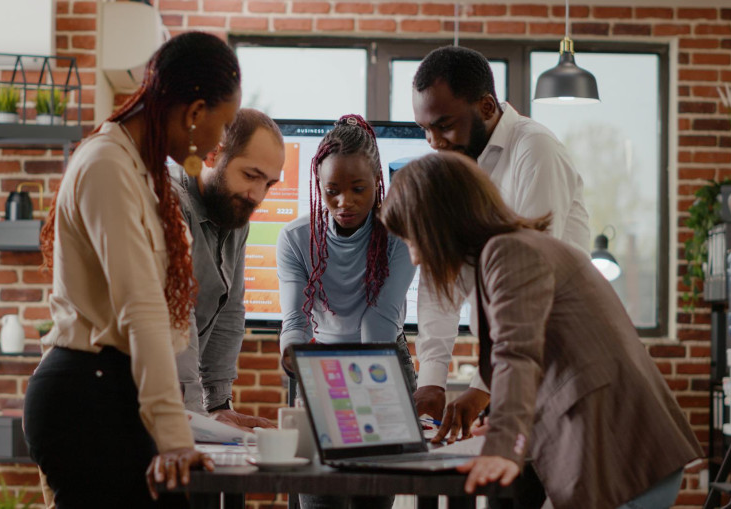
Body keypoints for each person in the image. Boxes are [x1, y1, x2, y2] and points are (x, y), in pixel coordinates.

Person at [380, 152, 703, 509]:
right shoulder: (519, 245)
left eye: (412, 240)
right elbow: (558, 360)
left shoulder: (507, 253)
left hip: (621, 455)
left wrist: (505, 442)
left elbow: (516, 355)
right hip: (624, 452)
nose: (414, 257)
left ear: (439, 223)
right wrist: (515, 429)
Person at [25, 31, 241, 508]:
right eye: (224, 125)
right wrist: (175, 439)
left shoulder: (140, 169)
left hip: (110, 393)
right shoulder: (108, 166)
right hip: (87, 398)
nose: (221, 140)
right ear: (194, 113)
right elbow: (142, 311)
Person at [410, 45, 591, 441]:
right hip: (509, 368)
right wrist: (432, 380)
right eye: (425, 129)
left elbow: (529, 283)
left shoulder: (535, 149)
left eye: (444, 125)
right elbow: (440, 281)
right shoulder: (457, 166)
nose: (433, 141)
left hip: (562, 368)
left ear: (488, 107)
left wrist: (480, 389)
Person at [277, 115, 417, 509]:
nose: (345, 202)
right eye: (332, 190)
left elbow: (379, 320)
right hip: (320, 364)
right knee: (318, 498)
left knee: (369, 498)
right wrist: (295, 353)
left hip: (385, 360)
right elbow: (295, 320)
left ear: (377, 181)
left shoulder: (399, 236)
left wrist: (360, 395)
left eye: (359, 188)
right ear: (318, 187)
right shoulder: (295, 239)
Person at [173, 108, 284, 429]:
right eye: (251, 176)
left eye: (269, 183)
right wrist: (194, 418)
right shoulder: (168, 201)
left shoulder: (234, 213)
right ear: (211, 155)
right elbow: (176, 314)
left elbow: (230, 311)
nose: (258, 196)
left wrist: (219, 404)